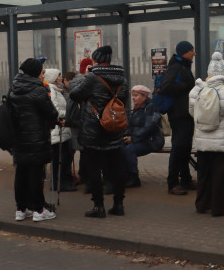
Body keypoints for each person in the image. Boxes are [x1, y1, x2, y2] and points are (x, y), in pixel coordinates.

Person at [69, 45, 129, 218]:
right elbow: (124, 99)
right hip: (114, 128)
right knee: (117, 167)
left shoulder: (92, 77)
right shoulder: (122, 78)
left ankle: (98, 206)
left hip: (93, 129)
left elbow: (74, 94)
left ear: (96, 60)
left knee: (93, 168)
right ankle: (118, 204)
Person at [9, 57, 59, 222]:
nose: (43, 74)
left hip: (19, 139)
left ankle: (21, 209)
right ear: (35, 73)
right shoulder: (38, 90)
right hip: (36, 139)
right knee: (36, 174)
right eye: (41, 71)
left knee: (21, 173)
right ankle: (39, 210)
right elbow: (51, 113)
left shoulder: (14, 88)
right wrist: (55, 120)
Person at [188, 52, 224, 217]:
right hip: (222, 141)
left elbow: (192, 113)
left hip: (203, 140)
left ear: (209, 72)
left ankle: (202, 204)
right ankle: (219, 208)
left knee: (203, 174)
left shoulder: (197, 89)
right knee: (220, 175)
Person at [157, 40, 197, 195]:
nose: (194, 53)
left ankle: (185, 180)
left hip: (186, 114)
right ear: (184, 52)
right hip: (178, 114)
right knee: (178, 147)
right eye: (191, 50)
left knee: (185, 148)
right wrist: (187, 85)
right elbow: (166, 86)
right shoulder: (176, 67)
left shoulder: (184, 66)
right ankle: (172, 183)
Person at [122, 84, 164, 189]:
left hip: (152, 141)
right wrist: (126, 136)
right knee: (120, 147)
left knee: (130, 149)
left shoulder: (150, 107)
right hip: (140, 140)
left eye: (136, 95)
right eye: (133, 95)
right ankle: (124, 175)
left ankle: (134, 178)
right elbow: (130, 125)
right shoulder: (137, 108)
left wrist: (133, 138)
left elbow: (149, 127)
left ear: (144, 96)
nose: (133, 98)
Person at [43, 69, 75, 192]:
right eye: (59, 76)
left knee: (63, 157)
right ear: (53, 78)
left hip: (62, 130)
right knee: (59, 158)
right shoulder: (52, 91)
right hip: (57, 130)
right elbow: (55, 110)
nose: (61, 78)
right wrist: (69, 114)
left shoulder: (56, 90)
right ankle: (59, 183)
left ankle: (61, 181)